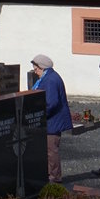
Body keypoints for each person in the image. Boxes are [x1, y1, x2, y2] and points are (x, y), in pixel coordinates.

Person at [30, 54, 72, 182]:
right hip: (52, 120)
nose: (35, 72)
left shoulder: (50, 80)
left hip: (52, 121)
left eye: (36, 69)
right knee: (49, 149)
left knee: (51, 150)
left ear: (42, 67)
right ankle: (51, 174)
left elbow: (51, 103)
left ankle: (54, 176)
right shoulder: (49, 77)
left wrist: (41, 115)